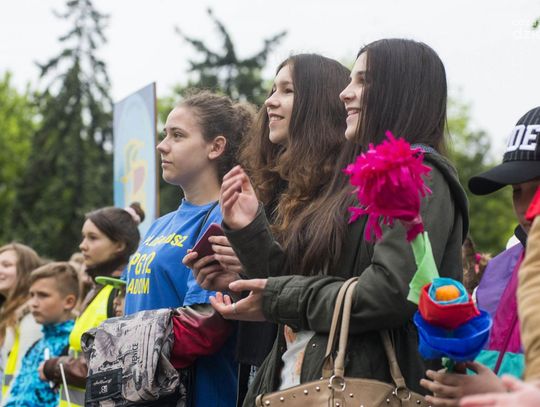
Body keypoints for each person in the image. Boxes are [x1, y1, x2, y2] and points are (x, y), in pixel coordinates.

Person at [212, 38, 469, 406]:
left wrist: (279, 299)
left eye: (362, 81)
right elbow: (299, 283)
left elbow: (389, 293)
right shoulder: (363, 182)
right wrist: (250, 229)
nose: (345, 93)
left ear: (399, 92)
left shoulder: (419, 174)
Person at [183, 54, 350, 404]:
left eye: (287, 91)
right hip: (264, 360)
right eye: (272, 90)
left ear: (320, 102)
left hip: (321, 371)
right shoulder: (271, 187)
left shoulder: (342, 194)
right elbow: (274, 283)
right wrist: (233, 279)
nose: (271, 101)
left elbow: (319, 286)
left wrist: (249, 258)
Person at [124, 90, 254, 406]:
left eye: (177, 135)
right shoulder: (158, 225)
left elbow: (205, 326)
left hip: (198, 395)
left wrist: (116, 350)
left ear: (216, 147)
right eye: (164, 134)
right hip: (142, 394)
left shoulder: (226, 217)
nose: (162, 145)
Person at [420, 106, 540, 405]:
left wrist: (502, 395)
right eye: (516, 190)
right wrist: (458, 370)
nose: (525, 208)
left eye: (538, 187)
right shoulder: (497, 270)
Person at [42, 203, 144, 407]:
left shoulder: (121, 294)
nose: (82, 245)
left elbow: (114, 366)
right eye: (83, 237)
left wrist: (54, 367)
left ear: (119, 245)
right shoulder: (99, 289)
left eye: (93, 238)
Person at [4, 262, 78, 407]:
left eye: (43, 295)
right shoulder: (37, 345)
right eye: (31, 295)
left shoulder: (73, 344)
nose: (33, 303)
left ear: (69, 302)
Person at [0, 243, 42, 401]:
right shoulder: (7, 311)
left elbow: (26, 372)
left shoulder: (32, 315)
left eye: (6, 265)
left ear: (26, 271)